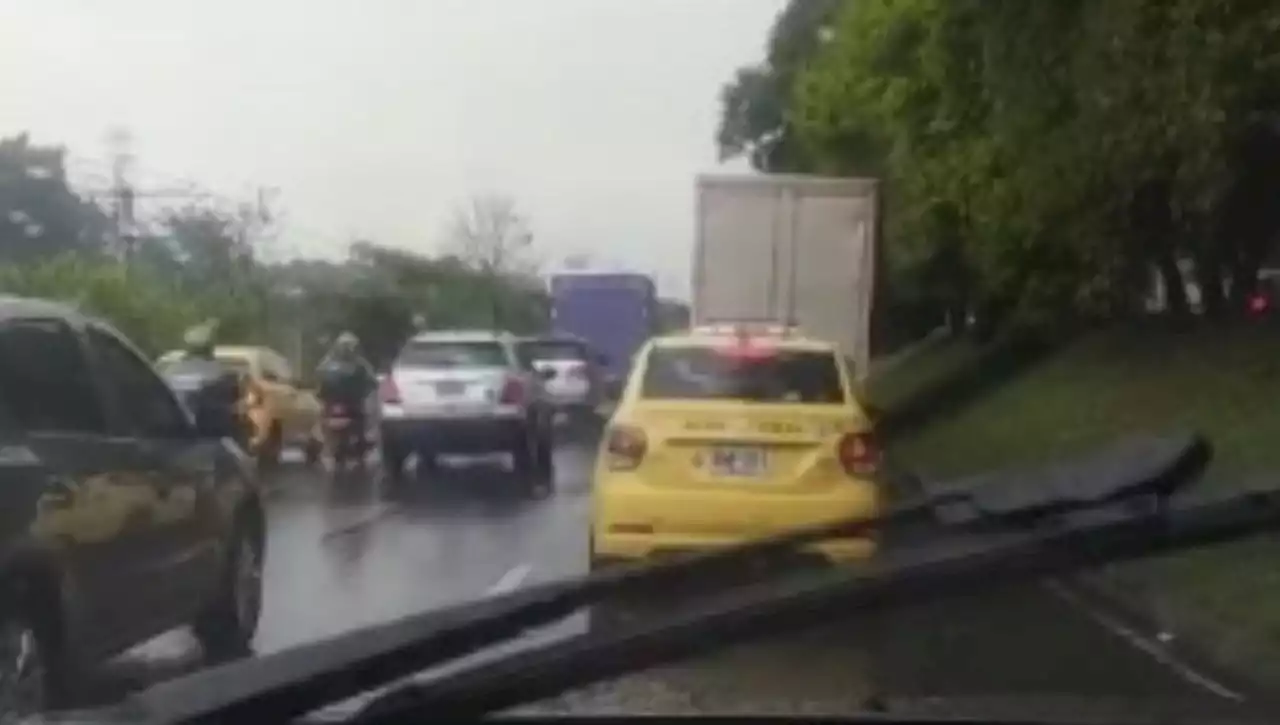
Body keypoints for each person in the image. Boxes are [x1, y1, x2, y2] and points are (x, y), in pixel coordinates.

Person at [315, 332, 378, 451]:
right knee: (363, 416)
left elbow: (318, 374)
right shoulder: (358, 363)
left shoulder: (356, 363)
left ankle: (360, 439)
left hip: (341, 402)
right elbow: (372, 379)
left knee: (364, 415)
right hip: (341, 402)